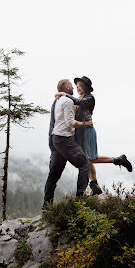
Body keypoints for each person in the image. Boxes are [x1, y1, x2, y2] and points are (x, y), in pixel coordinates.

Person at [55, 76, 132, 195]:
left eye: (80, 86)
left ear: (85, 87)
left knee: (90, 159)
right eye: (77, 86)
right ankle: (94, 185)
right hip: (80, 131)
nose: (78, 88)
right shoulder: (79, 97)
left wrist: (64, 94)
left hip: (87, 131)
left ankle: (119, 160)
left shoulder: (90, 98)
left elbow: (78, 102)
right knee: (86, 159)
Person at [43, 79, 92, 209]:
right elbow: (70, 122)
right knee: (84, 164)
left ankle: (46, 207)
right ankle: (79, 202)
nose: (74, 87)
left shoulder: (57, 101)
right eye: (71, 85)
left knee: (53, 175)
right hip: (64, 139)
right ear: (66, 87)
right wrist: (84, 124)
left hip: (55, 140)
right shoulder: (68, 101)